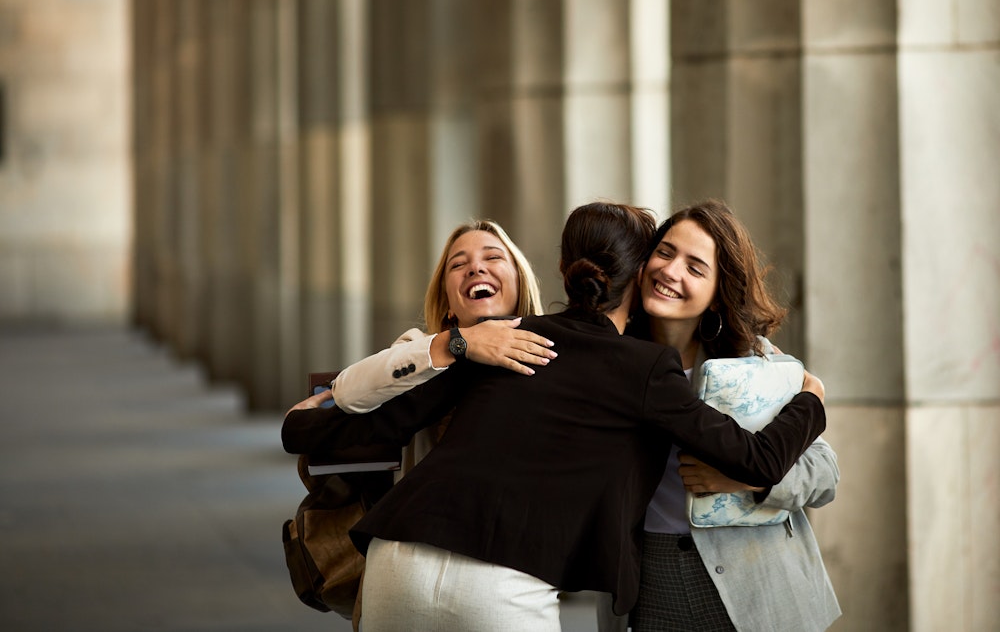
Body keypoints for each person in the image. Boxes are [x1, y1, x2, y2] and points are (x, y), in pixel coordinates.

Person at [282, 201, 827, 631]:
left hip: (393, 566)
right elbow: (760, 459)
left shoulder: (501, 339)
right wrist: (813, 401)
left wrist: (308, 416)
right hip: (504, 585)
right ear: (638, 277)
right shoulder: (643, 367)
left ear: (566, 269)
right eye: (662, 256)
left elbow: (352, 429)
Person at [600, 199, 840, 631]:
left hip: (757, 578)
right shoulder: (614, 361)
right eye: (666, 252)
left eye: (695, 267)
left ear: (717, 295)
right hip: (651, 576)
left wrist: (748, 478)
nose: (671, 272)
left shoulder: (756, 362)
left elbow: (825, 473)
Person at [295, 219, 556, 472]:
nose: (475, 268)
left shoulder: (552, 352)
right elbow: (347, 392)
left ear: (520, 281)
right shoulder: (419, 347)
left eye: (492, 258)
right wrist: (457, 343)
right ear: (447, 304)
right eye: (458, 264)